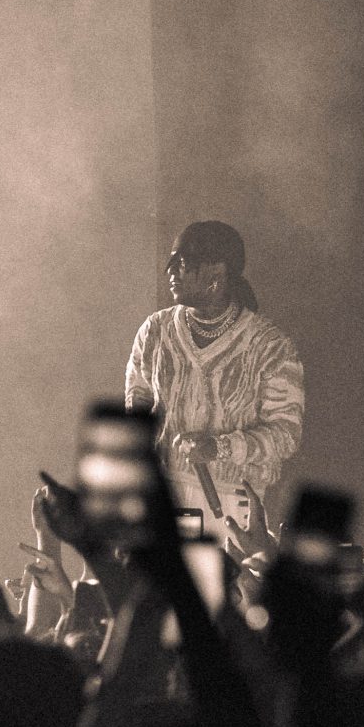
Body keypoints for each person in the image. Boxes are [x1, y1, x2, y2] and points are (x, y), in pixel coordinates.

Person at [124, 221, 305, 525]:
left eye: (183, 264)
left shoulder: (270, 346)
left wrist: (219, 447)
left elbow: (286, 434)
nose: (171, 272)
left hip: (232, 508)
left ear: (217, 274)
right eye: (171, 263)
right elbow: (137, 399)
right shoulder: (155, 331)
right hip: (160, 501)